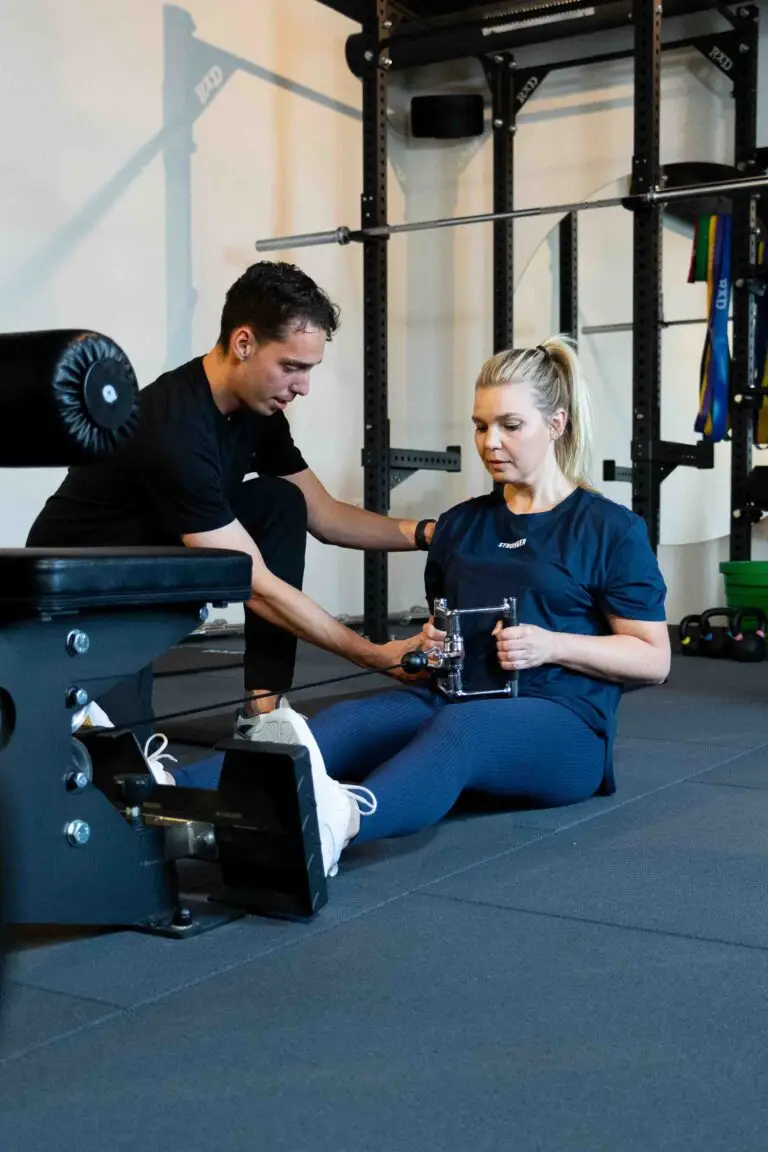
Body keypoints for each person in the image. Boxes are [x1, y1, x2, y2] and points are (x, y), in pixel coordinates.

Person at [199, 335, 671, 878]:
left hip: (564, 726)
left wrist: (549, 644)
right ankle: (159, 795)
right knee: (337, 726)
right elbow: (444, 630)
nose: (490, 442)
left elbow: (653, 660)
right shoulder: (461, 525)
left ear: (556, 424)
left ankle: (338, 822)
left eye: (510, 426)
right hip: (449, 699)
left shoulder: (610, 529)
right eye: (480, 426)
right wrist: (429, 648)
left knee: (462, 733)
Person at [26, 262, 433, 740]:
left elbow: (323, 514)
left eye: (310, 369)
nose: (303, 386)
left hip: (152, 561)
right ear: (244, 344)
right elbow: (256, 584)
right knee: (118, 762)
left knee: (279, 500)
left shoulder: (258, 411)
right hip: (79, 599)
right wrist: (373, 654)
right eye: (292, 367)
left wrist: (431, 533)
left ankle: (263, 713)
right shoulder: (174, 425)